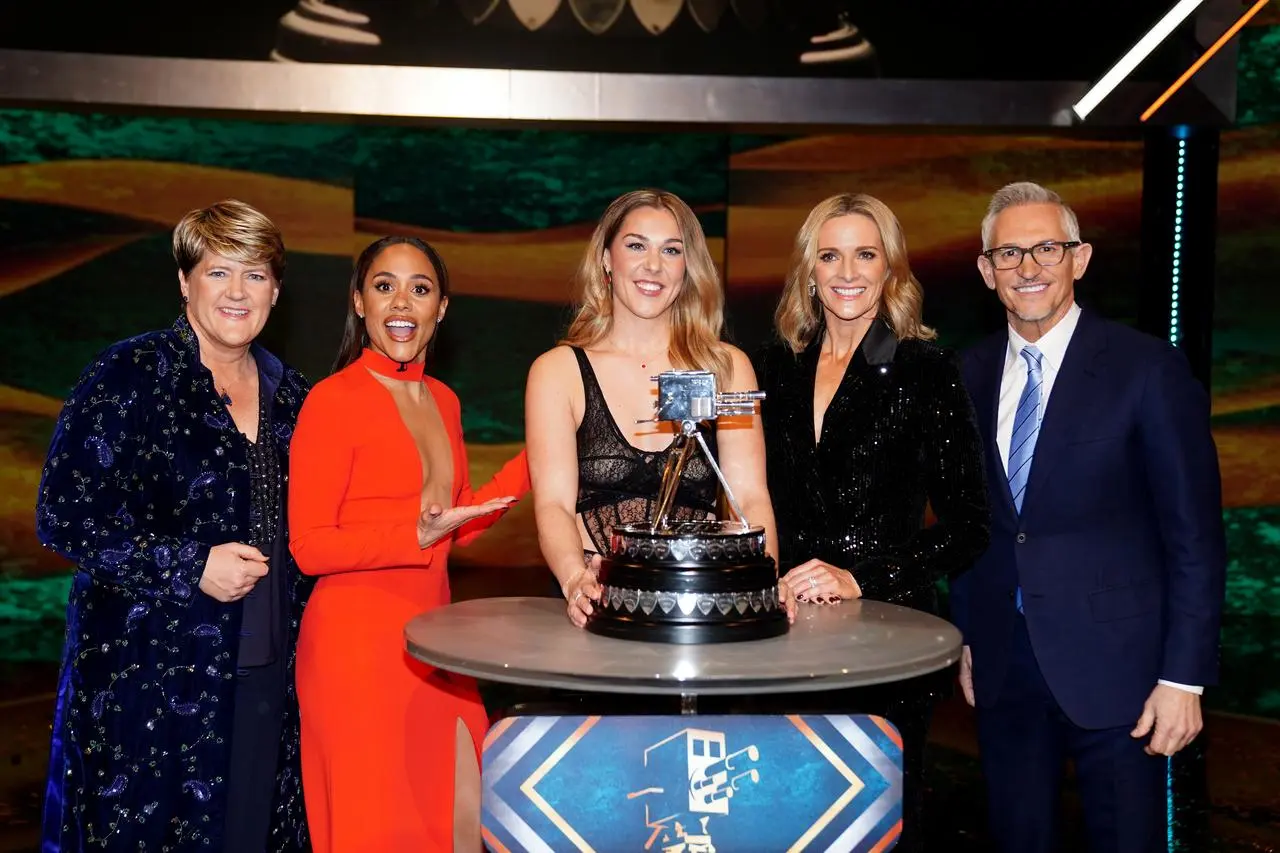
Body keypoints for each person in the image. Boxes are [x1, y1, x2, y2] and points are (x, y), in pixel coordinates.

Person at [950, 182, 1227, 853]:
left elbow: (1195, 534)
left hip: (1123, 675)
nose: (1029, 267)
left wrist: (1182, 677)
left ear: (1081, 257)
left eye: (1047, 247)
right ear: (987, 271)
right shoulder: (966, 372)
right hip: (1003, 666)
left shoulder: (1146, 368)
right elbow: (972, 520)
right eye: (1009, 253)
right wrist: (966, 634)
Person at [35, 200, 311, 851]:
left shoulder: (296, 394)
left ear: (276, 288)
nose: (238, 292)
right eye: (219, 272)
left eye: (256, 274)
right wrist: (190, 565)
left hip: (271, 675)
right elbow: (63, 515)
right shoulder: (127, 376)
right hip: (148, 681)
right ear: (186, 281)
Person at [754, 193, 989, 852]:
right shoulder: (775, 366)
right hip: (782, 639)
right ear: (809, 269)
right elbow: (749, 497)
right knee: (786, 822)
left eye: (866, 253)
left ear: (891, 269)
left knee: (871, 830)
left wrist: (863, 577)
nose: (847, 270)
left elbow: (970, 523)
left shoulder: (926, 371)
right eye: (830, 254)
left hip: (887, 639)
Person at [288, 235, 530, 852]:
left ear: (441, 307)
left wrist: (547, 452)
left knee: (459, 821)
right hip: (355, 650)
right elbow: (310, 547)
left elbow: (461, 523)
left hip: (434, 645)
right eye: (384, 285)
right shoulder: (331, 399)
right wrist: (412, 534)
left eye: (420, 288)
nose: (402, 302)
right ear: (359, 302)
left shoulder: (444, 400)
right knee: (374, 831)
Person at [525, 188, 787, 628]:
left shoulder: (727, 367)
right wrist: (574, 580)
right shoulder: (557, 372)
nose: (653, 266)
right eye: (635, 246)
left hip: (701, 605)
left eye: (671, 250)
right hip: (597, 608)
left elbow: (750, 496)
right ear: (607, 259)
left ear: (688, 268)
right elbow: (552, 504)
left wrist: (765, 582)